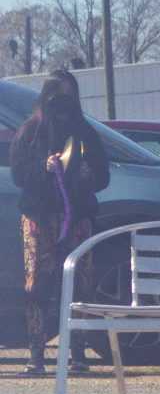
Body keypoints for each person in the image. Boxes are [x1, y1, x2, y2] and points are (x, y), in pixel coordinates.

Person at [7, 71, 106, 377]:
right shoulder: (31, 131)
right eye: (57, 96)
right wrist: (43, 167)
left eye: (69, 96)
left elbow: (104, 177)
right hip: (39, 215)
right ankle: (36, 353)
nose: (63, 104)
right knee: (37, 284)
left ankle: (78, 352)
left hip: (77, 216)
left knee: (80, 284)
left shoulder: (85, 132)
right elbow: (18, 175)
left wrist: (87, 173)